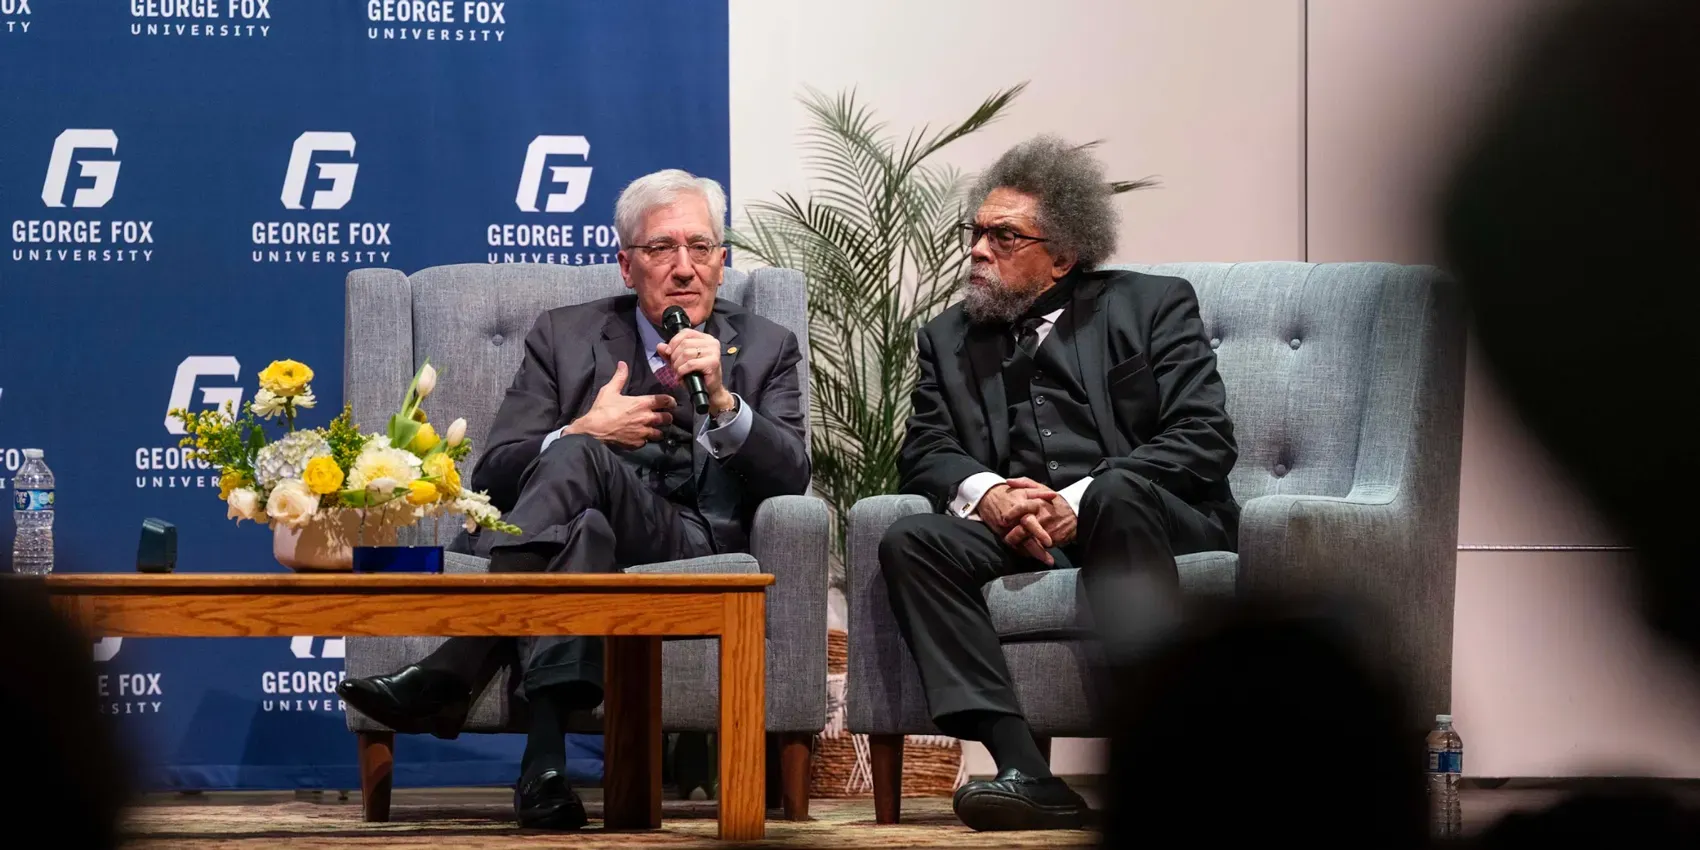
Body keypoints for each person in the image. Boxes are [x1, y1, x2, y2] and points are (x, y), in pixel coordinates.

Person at [336, 169, 811, 830]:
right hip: (583, 535)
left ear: (722, 262)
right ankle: (546, 768)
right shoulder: (563, 334)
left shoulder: (765, 346)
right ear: (626, 265)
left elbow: (793, 477)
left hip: (695, 542)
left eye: (700, 248)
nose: (683, 268)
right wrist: (582, 428)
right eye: (660, 250)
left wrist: (726, 402)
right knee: (584, 523)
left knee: (579, 461)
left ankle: (452, 666)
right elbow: (496, 471)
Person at [877, 135, 1240, 831]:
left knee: (1116, 493)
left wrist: (1079, 501)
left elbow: (1203, 437)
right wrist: (992, 494)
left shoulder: (1152, 306)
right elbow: (926, 448)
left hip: (1152, 519)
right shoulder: (947, 337)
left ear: (1064, 255)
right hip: (1025, 532)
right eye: (975, 232)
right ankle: (1026, 771)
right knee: (911, 540)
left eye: (1004, 236)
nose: (978, 249)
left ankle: (1164, 757)